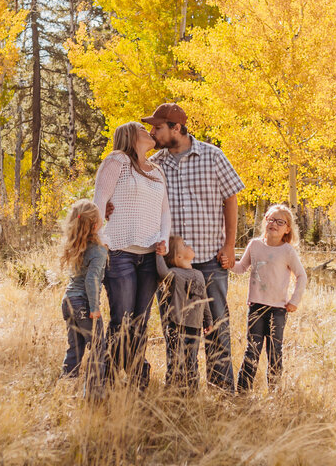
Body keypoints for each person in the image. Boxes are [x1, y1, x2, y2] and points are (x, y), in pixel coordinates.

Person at [144, 102, 244, 391]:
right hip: (173, 266)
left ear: (177, 127)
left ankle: (222, 389)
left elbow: (231, 198)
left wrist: (229, 245)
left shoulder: (213, 156)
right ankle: (181, 389)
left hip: (211, 257)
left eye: (158, 127)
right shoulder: (156, 164)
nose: (153, 133)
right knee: (175, 328)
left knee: (217, 327)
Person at [94, 121, 170, 389]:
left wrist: (164, 240)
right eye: (142, 128)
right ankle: (106, 379)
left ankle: (137, 378)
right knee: (122, 319)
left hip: (150, 256)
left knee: (140, 321)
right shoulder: (117, 161)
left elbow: (164, 212)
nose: (149, 132)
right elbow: (100, 199)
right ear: (129, 135)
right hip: (119, 252)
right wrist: (100, 237)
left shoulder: (157, 171)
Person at [233, 204, 307, 392]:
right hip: (256, 307)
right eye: (270, 219)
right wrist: (227, 263)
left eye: (280, 222)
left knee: (274, 352)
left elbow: (301, 276)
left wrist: (294, 301)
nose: (274, 224)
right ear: (265, 221)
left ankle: (274, 393)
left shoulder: (287, 251)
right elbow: (241, 268)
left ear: (287, 229)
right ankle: (243, 392)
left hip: (278, 310)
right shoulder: (255, 245)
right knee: (252, 350)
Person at [59, 199, 108, 397]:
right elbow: (91, 280)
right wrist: (94, 307)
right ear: (95, 224)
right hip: (83, 305)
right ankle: (94, 394)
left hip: (68, 301)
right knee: (98, 346)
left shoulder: (77, 246)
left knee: (75, 347)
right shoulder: (98, 250)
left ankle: (64, 387)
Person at [155, 235, 213, 390]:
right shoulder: (174, 274)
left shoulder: (199, 274)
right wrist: (159, 254)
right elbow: (161, 272)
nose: (189, 246)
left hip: (195, 327)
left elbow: (203, 299)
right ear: (178, 256)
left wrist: (208, 320)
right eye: (184, 245)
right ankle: (173, 393)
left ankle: (192, 393)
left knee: (192, 361)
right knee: (175, 361)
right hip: (177, 325)